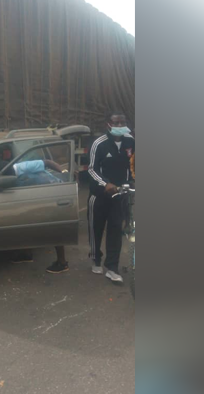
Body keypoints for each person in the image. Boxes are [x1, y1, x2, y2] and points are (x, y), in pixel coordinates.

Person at [86, 112, 135, 283]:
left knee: (115, 228)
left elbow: (133, 163)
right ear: (108, 124)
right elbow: (91, 169)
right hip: (99, 194)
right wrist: (105, 183)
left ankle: (112, 267)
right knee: (96, 228)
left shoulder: (130, 141)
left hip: (119, 193)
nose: (120, 125)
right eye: (116, 123)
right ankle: (96, 259)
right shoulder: (99, 144)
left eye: (122, 122)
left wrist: (132, 181)